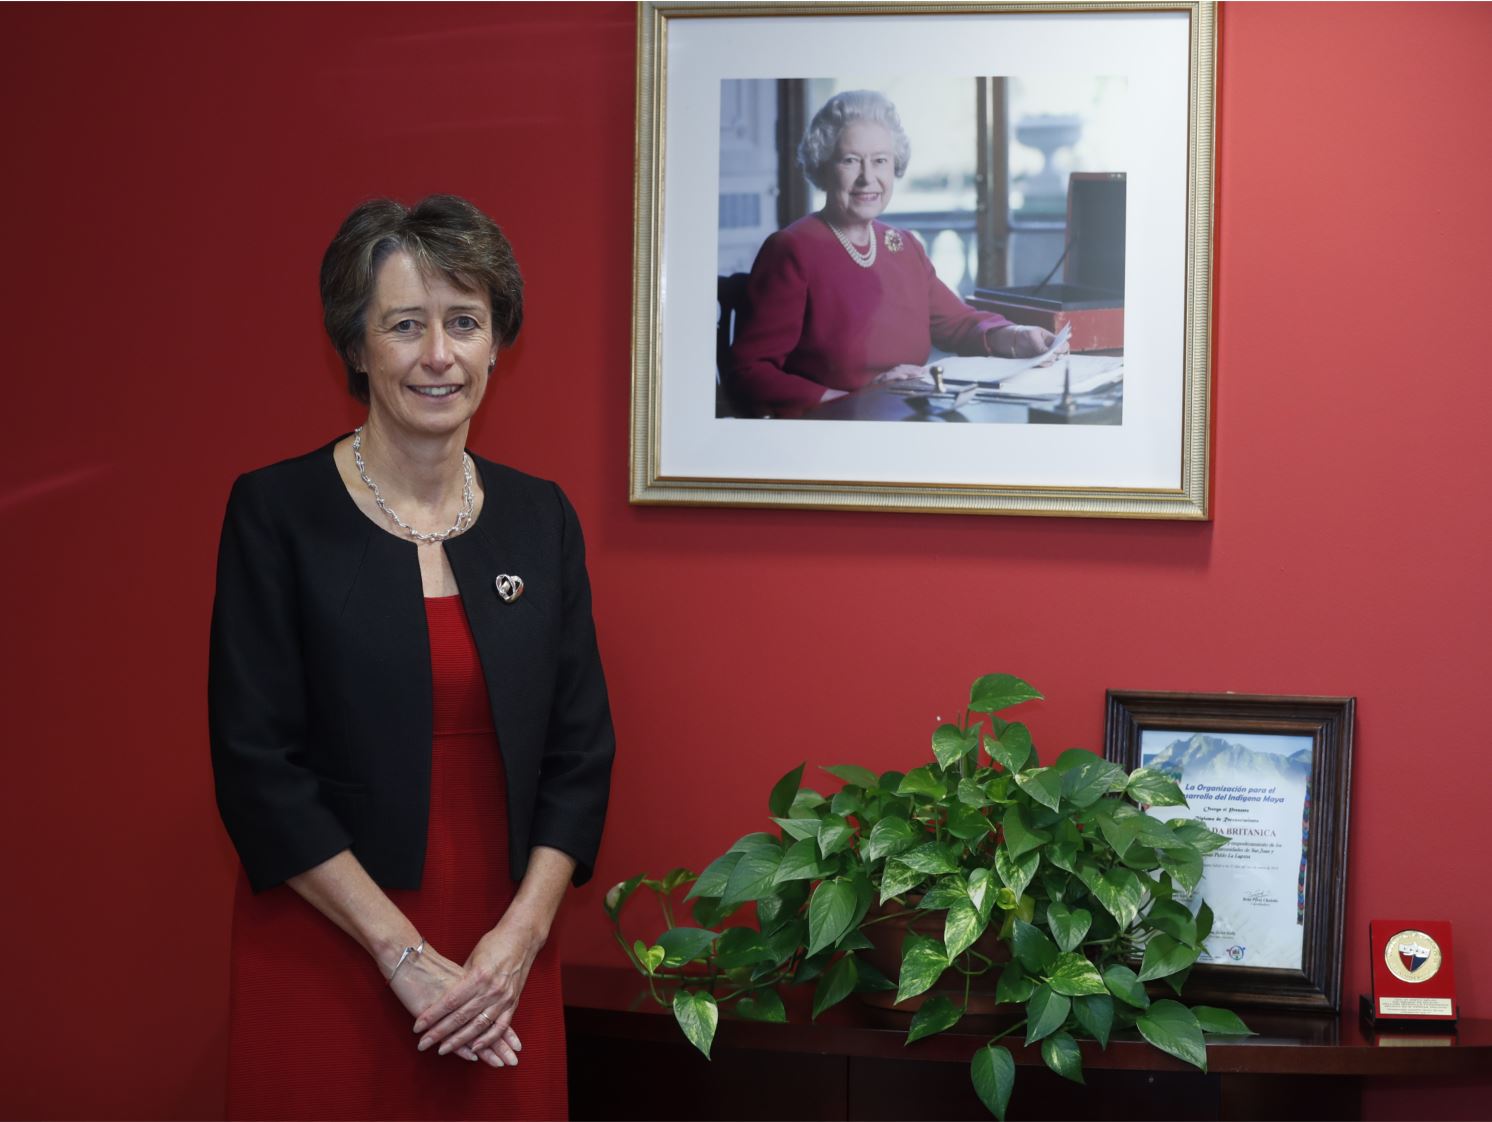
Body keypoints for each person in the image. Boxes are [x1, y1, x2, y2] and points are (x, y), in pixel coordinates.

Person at [208, 194, 615, 1120]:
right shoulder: (277, 515)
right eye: (406, 325)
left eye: (464, 322)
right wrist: (400, 955)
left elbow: (581, 754)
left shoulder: (539, 517)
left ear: (496, 343)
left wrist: (520, 938)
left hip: (498, 958)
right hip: (331, 943)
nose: (440, 354)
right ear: (356, 348)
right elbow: (255, 767)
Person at [728, 89, 1063, 418]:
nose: (868, 178)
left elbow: (958, 324)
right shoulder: (792, 249)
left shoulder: (903, 246)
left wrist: (1019, 338)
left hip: (907, 416)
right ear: (823, 166)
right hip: (834, 433)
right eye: (850, 161)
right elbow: (749, 372)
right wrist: (850, 401)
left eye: (880, 161)